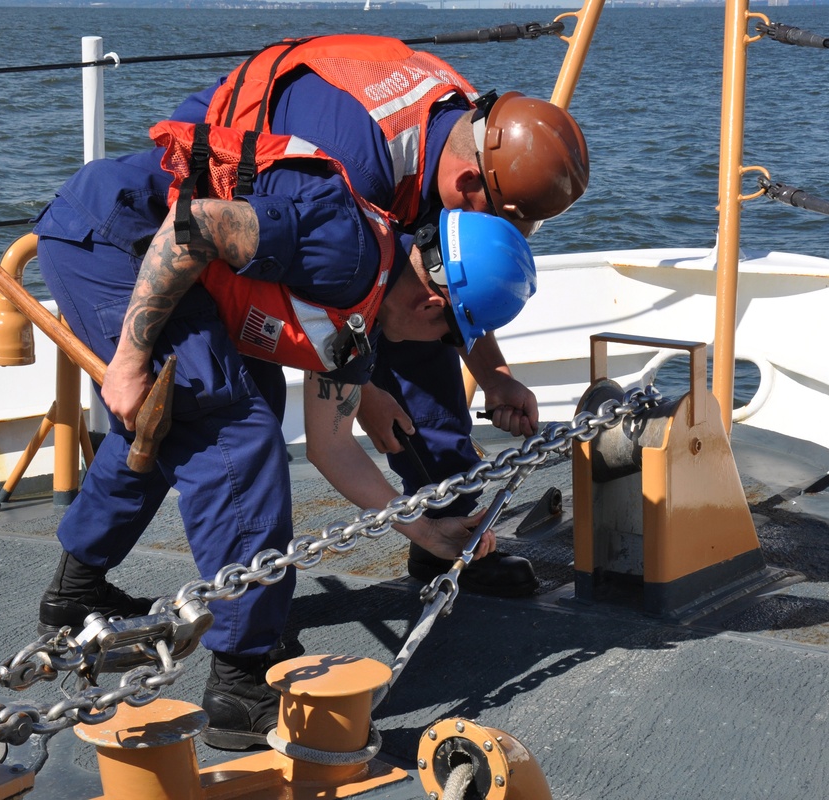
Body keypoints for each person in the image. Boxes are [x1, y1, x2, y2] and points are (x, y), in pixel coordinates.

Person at [32, 107, 538, 750]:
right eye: (451, 337)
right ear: (432, 304)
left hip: (188, 270)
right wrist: (131, 361)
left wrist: (427, 530)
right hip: (118, 234)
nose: (440, 348)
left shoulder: (360, 334)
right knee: (229, 430)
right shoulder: (347, 245)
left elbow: (334, 448)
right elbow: (193, 229)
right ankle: (242, 683)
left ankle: (74, 595)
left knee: (186, 416)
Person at [172, 33, 589, 596]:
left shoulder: (463, 132)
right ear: (467, 184)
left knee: (422, 329)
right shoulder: (346, 170)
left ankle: (448, 537)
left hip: (348, 221)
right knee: (242, 424)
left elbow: (449, 287)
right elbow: (313, 303)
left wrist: (493, 374)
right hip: (232, 226)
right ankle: (208, 610)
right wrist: (362, 391)